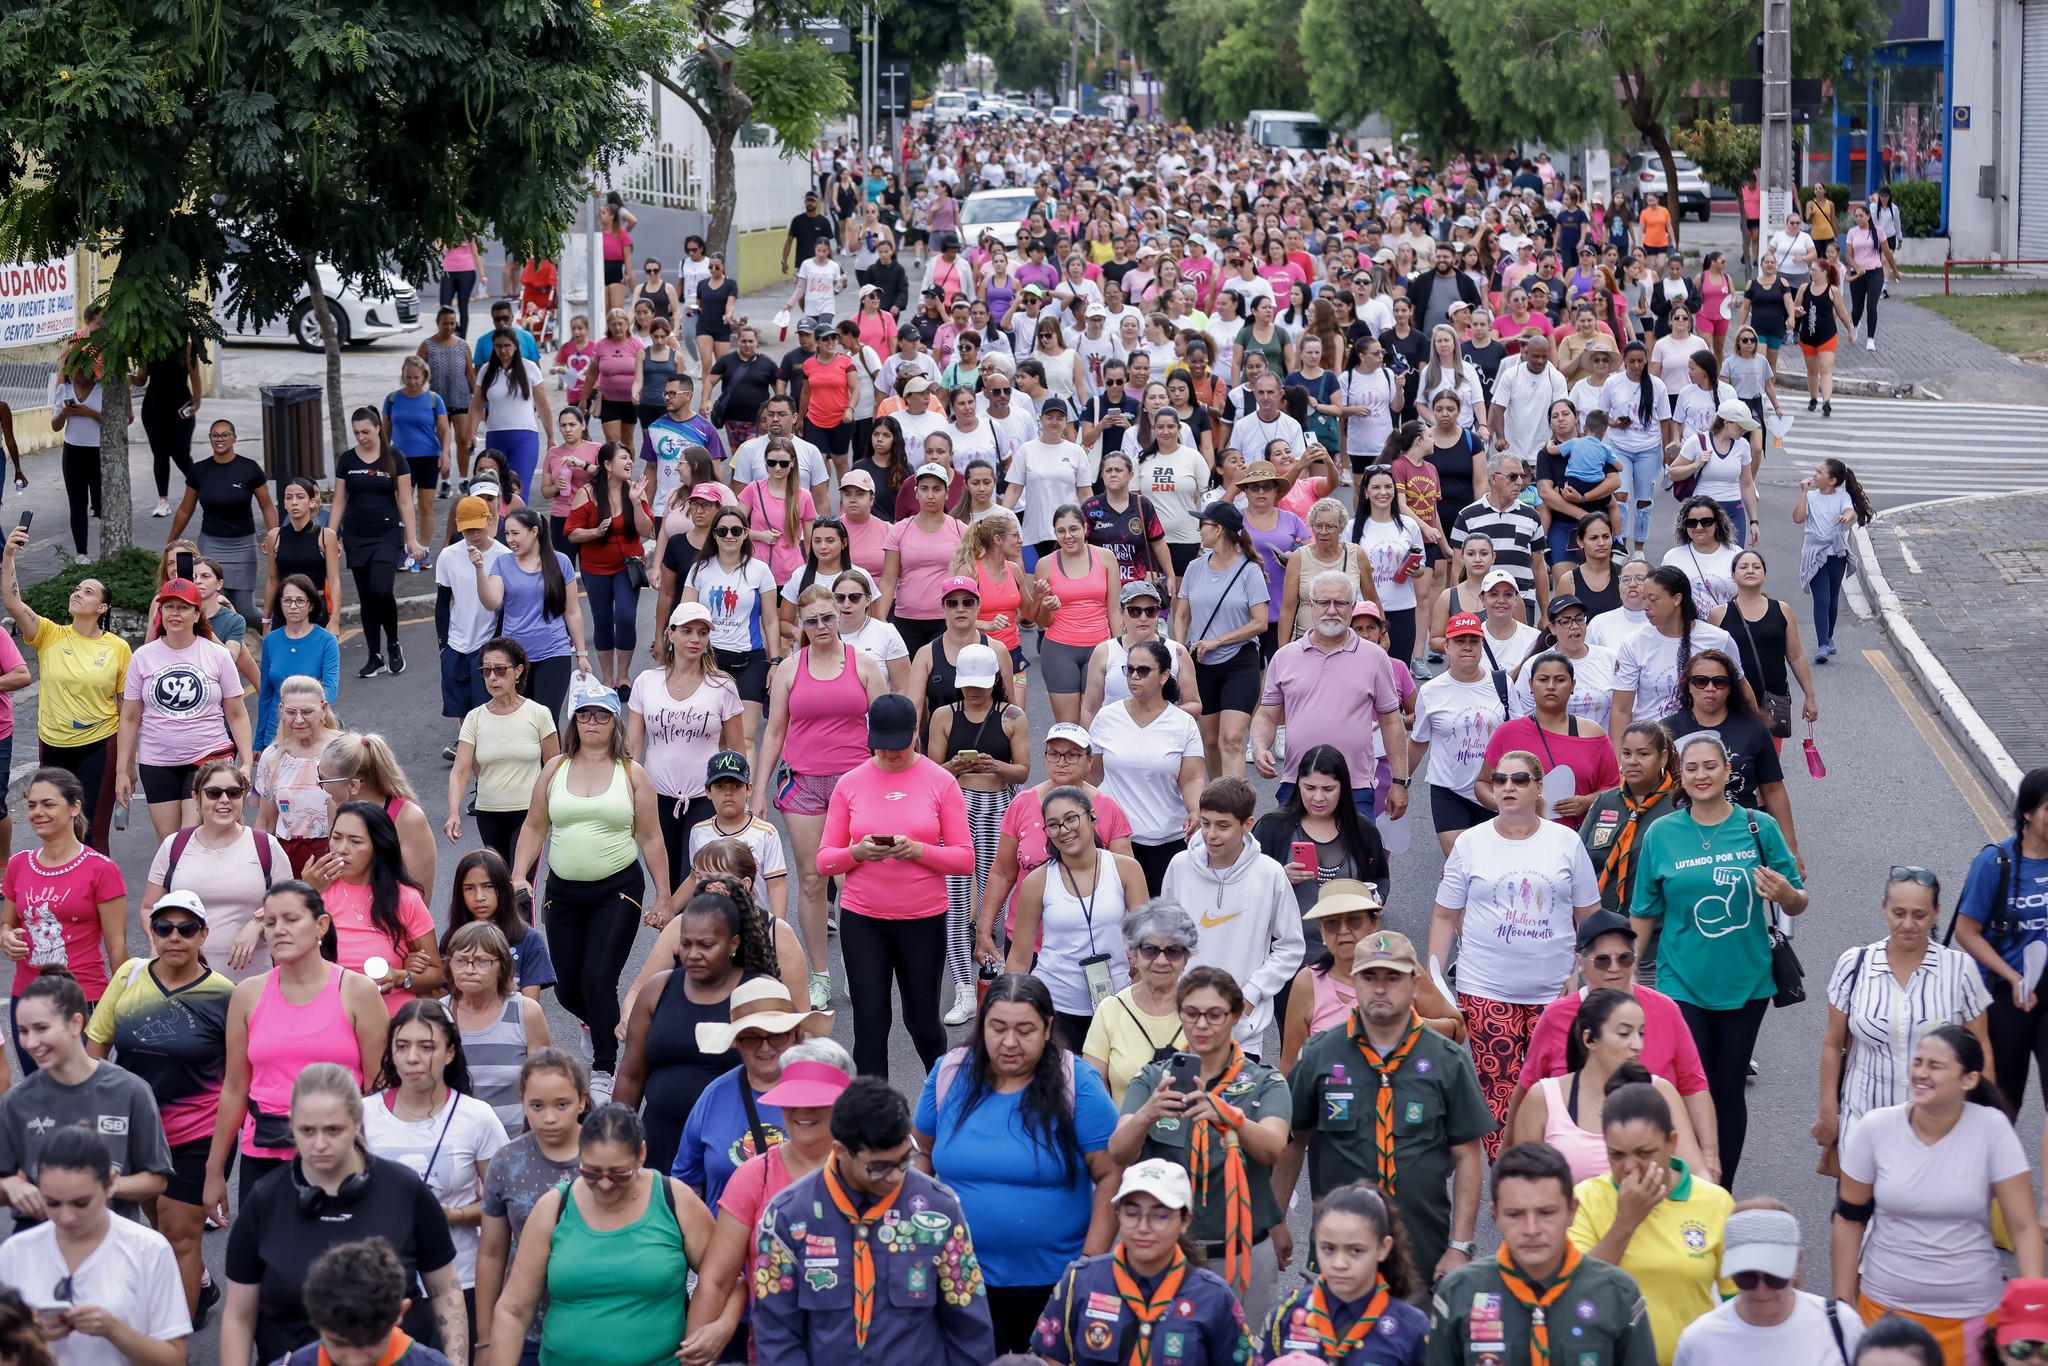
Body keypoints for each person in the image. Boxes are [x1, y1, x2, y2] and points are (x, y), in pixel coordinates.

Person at [1630, 732, 1806, 1187]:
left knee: (1727, 1088)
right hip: (1678, 979)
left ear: (1728, 772)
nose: (1701, 775)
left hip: (1747, 983)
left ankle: (1718, 1189)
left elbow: (1796, 900)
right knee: (1690, 1084)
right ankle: (1684, 1179)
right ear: (1680, 776)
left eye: (1710, 766)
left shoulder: (1757, 827)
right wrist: (1623, 975)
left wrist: (1787, 893)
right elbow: (1643, 912)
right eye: (1692, 768)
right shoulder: (1662, 834)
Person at [913, 975, 1118, 1355]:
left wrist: (1091, 1265)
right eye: (998, 1027)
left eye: (1025, 1030)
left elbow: (1110, 1175)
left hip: (1056, 1284)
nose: (1009, 1042)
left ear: (1048, 1028)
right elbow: (921, 1155)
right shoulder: (948, 1074)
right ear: (982, 1025)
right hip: (958, 1277)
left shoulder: (1078, 1082)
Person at [1279, 930, 1495, 1282]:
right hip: (1338, 1259)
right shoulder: (1319, 1055)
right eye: (1369, 976)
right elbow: (1293, 1142)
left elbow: (1468, 1156)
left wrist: (1459, 1245)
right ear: (1355, 982)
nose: (1380, 987)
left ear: (1414, 984)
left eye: (1392, 977)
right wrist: (1277, 1219)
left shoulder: (1447, 1060)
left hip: (1422, 1255)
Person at [218, 1062, 466, 1365]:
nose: (319, 1144)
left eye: (333, 1130)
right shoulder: (264, 1200)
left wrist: (456, 1362)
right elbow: (239, 1317)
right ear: (291, 1123)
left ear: (358, 1121)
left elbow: (445, 1290)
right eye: (307, 1131)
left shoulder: (405, 1190)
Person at [751, 1075, 997, 1366]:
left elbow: (968, 1324)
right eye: (878, 1167)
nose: (895, 1177)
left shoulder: (939, 1211)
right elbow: (777, 1334)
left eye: (905, 1159)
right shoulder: (788, 1217)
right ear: (841, 1151)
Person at [1832, 1026, 2042, 1361]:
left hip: (1971, 1318)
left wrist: (2034, 1311)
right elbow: (1848, 1219)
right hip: (1886, 1316)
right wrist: (1843, 1306)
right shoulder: (1876, 1128)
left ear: (1969, 1080)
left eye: (1935, 1065)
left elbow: (2024, 1226)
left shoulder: (1992, 1129)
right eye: (1918, 1062)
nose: (1921, 1073)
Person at [1431, 748, 1604, 1150]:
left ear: (1538, 787)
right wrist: (1437, 986)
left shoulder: (1566, 841)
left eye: (1520, 779)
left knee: (1559, 1094)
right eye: (1500, 780)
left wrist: (1582, 976)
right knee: (1498, 1096)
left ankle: (1558, 1184)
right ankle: (1510, 1184)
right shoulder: (1470, 843)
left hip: (1555, 996)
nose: (1508, 786)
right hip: (1486, 993)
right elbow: (1443, 917)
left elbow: (1590, 917)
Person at [509, 684, 671, 1099]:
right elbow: (533, 826)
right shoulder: (556, 768)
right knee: (566, 987)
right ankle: (601, 1024)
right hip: (561, 891)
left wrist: (664, 896)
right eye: (585, 715)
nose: (592, 722)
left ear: (614, 721)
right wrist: (517, 874)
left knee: (598, 980)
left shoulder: (632, 773)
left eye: (601, 715)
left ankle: (604, 1068)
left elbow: (651, 837)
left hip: (617, 888)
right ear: (574, 721)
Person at [1109, 966, 1291, 1322]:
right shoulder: (1152, 1079)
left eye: (1215, 1014)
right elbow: (1119, 1151)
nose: (1202, 1024)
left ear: (1235, 1016)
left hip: (1243, 1254)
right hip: (1167, 1253)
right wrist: (1147, 1114)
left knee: (1244, 1354)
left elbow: (1272, 1147)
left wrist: (1230, 1116)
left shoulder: (1264, 1081)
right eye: (1191, 1013)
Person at [203, 882, 388, 1213]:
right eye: (270, 923)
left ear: (321, 926)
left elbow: (378, 1089)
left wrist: (382, 1165)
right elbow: (234, 1089)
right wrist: (214, 1170)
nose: (279, 931)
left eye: (291, 919)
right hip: (264, 1154)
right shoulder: (247, 994)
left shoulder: (358, 991)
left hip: (340, 1156)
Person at [484, 1104, 713, 1366]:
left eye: (619, 1173)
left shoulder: (676, 1200)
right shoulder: (554, 1207)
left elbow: (725, 1280)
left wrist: (720, 1328)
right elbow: (513, 1310)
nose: (604, 1184)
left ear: (641, 1154)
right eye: (591, 1172)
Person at [818, 694, 974, 1075]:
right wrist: (857, 853)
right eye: (881, 744)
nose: (889, 753)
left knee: (922, 1023)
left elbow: (964, 859)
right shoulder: (850, 783)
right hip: (863, 919)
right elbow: (825, 860)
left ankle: (946, 1106)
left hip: (922, 920)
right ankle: (874, 1127)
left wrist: (919, 850)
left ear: (916, 732)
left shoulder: (941, 782)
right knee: (870, 1025)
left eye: (898, 744)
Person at [1819, 867, 1992, 1175]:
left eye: (1919, 915)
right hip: (1863, 1124)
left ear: (1937, 913)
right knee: (1857, 1218)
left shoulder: (1960, 970)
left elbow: (1982, 1049)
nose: (1908, 925)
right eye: (1898, 913)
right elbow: (1833, 1045)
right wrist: (1829, 1110)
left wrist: (1986, 1117)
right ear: (1883, 907)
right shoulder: (1854, 964)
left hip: (1940, 1130)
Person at [1425, 1141, 1660, 1366]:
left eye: (1546, 1213)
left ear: (1571, 1211)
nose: (1531, 1230)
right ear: (1496, 1215)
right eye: (1515, 1214)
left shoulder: (1617, 1292)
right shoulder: (1459, 1293)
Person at [613, 885, 791, 1180]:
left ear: (733, 943)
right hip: (661, 1142)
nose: (693, 954)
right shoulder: (657, 990)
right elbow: (631, 1076)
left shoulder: (760, 992)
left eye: (706, 945)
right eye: (686, 944)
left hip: (733, 1150)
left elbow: (789, 1071)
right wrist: (617, 1141)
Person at [363, 999, 510, 1323]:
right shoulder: (363, 1116)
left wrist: (454, 1215)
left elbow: (504, 1208)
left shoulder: (477, 1117)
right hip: (379, 1287)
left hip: (463, 1282)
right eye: (402, 1046)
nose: (412, 1057)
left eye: (427, 1046)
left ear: (450, 1052)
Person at [1567, 1080, 1735, 1362]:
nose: (1630, 1166)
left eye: (1644, 1153)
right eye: (1617, 1155)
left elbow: (1738, 1301)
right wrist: (1625, 1223)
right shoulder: (1585, 1199)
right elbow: (1576, 1292)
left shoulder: (1716, 1202)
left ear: (1671, 1143)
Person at [1033, 1158, 1253, 1366]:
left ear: (1185, 1221)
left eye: (1160, 1216)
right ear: (1118, 1214)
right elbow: (1054, 1358)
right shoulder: (1080, 1281)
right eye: (1132, 1213)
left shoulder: (1214, 1296)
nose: (1143, 1227)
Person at [0, 1128, 189, 1366]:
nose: (66, 1217)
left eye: (81, 1203)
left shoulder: (149, 1249)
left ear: (110, 1184)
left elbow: (174, 1359)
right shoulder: (15, 1252)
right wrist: (33, 1334)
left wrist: (114, 1330)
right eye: (52, 1203)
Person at [0, 967, 172, 1225]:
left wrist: (100, 1187)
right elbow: (4, 1180)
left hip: (111, 1242)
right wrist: (10, 1185)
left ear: (76, 1023)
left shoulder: (131, 1090)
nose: (31, 1042)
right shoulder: (17, 1101)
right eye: (23, 1031)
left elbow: (156, 1179)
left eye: (41, 1028)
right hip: (38, 1245)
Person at [2, 529, 128, 850]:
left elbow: (128, 711)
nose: (77, 593)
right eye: (76, 589)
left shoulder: (117, 648)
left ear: (102, 608)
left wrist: (127, 764)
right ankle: (62, 897)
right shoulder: (49, 634)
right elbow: (13, 603)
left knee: (92, 834)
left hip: (99, 745)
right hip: (53, 746)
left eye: (87, 592)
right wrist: (8, 555)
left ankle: (99, 897)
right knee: (57, 831)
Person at [1251, 571, 1409, 822]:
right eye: (1324, 602)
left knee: (1358, 860)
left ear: (1352, 606)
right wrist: (1259, 748)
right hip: (1298, 785)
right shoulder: (1284, 657)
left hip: (1355, 787)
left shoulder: (1375, 657)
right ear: (1310, 605)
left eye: (1341, 603)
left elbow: (1392, 723)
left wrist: (1400, 782)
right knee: (1296, 860)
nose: (1332, 610)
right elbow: (1268, 715)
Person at [1160, 778, 1303, 1050]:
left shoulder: (1270, 874)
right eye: (1205, 823)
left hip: (1243, 1034)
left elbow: (1291, 946)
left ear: (1247, 825)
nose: (1211, 834)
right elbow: (1165, 937)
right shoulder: (1179, 866)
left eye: (1222, 826)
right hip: (1182, 1027)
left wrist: (1250, 995)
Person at [1005, 785, 1149, 1050]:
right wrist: (1004, 1014)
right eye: (1054, 825)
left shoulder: (1126, 869)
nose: (1065, 829)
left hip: (1117, 1003)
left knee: (1115, 1087)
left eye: (1071, 818)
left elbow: (1147, 943)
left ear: (1091, 817)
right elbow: (1019, 957)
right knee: (1062, 1088)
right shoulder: (1038, 881)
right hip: (1055, 1005)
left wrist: (1140, 994)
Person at [931, 643, 1030, 1023]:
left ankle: (991, 975)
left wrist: (997, 766)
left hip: (998, 809)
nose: (974, 691)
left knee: (996, 895)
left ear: (993, 682)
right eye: (968, 684)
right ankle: (963, 988)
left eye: (981, 684)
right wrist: (954, 766)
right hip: (956, 809)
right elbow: (932, 768)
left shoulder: (1013, 715)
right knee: (955, 900)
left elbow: (1022, 770)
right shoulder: (944, 714)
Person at [2, 770, 128, 1070]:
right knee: (38, 1099)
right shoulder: (18, 865)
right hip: (27, 999)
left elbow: (117, 947)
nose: (37, 813)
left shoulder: (101, 870)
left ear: (74, 807)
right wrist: (6, 937)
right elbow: (7, 923)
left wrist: (124, 1007)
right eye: (31, 805)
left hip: (82, 1001)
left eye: (48, 804)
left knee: (81, 1099)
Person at [113, 576, 252, 843]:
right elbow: (130, 718)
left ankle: (200, 885)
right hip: (157, 761)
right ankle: (173, 886)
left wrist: (246, 762)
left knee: (193, 836)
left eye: (183, 607)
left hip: (208, 756)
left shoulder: (217, 655)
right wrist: (123, 770)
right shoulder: (143, 656)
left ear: (197, 613)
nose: (175, 613)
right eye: (169, 606)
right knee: (168, 841)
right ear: (160, 612)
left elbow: (237, 713)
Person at [475, 1049, 587, 1366]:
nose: (549, 1117)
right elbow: (492, 1252)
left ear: (581, 1100)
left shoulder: (604, 1155)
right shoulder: (507, 1161)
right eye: (537, 1106)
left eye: (561, 1105)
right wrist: (485, 1341)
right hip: (525, 1328)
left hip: (593, 1325)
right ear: (523, 1101)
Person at [137, 756, 287, 983]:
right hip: (185, 983)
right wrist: (159, 942)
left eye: (234, 793)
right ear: (196, 798)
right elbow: (149, 908)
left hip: (253, 982)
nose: (224, 800)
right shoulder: (174, 846)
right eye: (214, 793)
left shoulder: (266, 846)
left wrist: (258, 924)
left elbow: (290, 906)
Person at [1950, 768, 2048, 1112]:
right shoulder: (1996, 861)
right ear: (2028, 813)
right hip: (2007, 992)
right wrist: (2014, 977)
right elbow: (1966, 931)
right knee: (2003, 1101)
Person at [1253, 1182, 1430, 1365]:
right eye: (1328, 1248)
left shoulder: (1411, 1329)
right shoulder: (1287, 1314)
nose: (1339, 1263)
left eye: (1355, 1251)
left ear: (1383, 1248)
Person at [1670, 1200, 1865, 1363]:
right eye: (1747, 1277)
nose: (1761, 1290)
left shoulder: (1841, 1325)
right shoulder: (1698, 1340)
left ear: (1798, 1262)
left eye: (1775, 1277)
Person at [329, 409, 428, 679]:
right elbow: (339, 501)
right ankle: (374, 655)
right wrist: (330, 534)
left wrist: (411, 538)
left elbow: (406, 501)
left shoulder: (395, 459)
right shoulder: (347, 460)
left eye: (366, 431)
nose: (361, 437)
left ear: (378, 429)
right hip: (356, 535)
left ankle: (393, 643)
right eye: (356, 432)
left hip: (386, 533)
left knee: (381, 588)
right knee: (366, 598)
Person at [444, 638, 560, 867]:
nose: (492, 677)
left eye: (500, 670)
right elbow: (460, 771)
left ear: (518, 671)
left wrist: (556, 812)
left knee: (519, 885)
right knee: (498, 885)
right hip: (489, 813)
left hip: (530, 813)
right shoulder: (474, 718)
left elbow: (554, 768)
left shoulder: (538, 714)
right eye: (486, 671)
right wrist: (453, 813)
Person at [1174, 502, 1269, 780]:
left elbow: (1260, 622)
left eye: (1202, 524)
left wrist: (1217, 641)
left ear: (1218, 529)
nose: (1198, 529)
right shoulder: (1194, 568)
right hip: (1201, 664)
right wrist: (1181, 651)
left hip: (1240, 662)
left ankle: (1236, 807)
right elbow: (1181, 615)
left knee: (1232, 739)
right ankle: (1220, 800)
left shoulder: (1249, 570)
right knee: (1211, 742)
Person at [1477, 650, 1621, 827]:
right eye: (1543, 679)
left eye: (1560, 680)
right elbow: (1482, 783)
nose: (1551, 686)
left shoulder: (1593, 733)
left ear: (1573, 684)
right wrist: (1504, 802)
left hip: (1578, 839)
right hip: (1519, 837)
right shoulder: (1507, 732)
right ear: (1530, 684)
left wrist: (1587, 802)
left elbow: (1614, 788)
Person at [1407, 613, 1507, 855]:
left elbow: (1518, 735)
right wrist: (1400, 783)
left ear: (1482, 646)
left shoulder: (1501, 683)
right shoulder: (1430, 691)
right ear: (1446, 646)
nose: (1467, 647)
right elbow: (1419, 741)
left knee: (1491, 864)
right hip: (1448, 790)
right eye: (1460, 640)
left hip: (1494, 788)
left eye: (1474, 641)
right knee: (1459, 863)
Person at [476, 508, 589, 724]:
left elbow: (572, 611)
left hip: (553, 653)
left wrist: (582, 654)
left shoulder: (561, 562)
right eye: (507, 534)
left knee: (546, 720)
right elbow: (492, 603)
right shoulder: (502, 563)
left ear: (534, 531)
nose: (510, 540)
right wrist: (480, 570)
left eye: (515, 533)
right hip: (514, 658)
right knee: (519, 721)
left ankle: (551, 760)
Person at [1608, 565, 1745, 734]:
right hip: (1652, 745)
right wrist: (1619, 758)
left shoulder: (1718, 639)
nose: (1646, 606)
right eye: (1644, 599)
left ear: (1676, 599)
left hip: (1706, 744)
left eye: (1653, 599)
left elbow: (1742, 693)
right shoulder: (1634, 643)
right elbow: (1621, 710)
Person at [443, 921, 551, 1134]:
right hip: (456, 1140)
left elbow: (546, 1083)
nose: (469, 969)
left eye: (482, 961)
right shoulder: (438, 1015)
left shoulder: (526, 1012)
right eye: (461, 960)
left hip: (516, 1144)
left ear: (502, 965)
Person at [165, 419, 277, 624]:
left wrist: (275, 535)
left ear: (234, 438)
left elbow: (267, 505)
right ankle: (221, 653)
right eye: (215, 435)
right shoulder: (199, 470)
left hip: (243, 546)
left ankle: (276, 628)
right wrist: (171, 543)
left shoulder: (249, 469)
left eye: (225, 435)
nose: (220, 439)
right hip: (211, 545)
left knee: (246, 611)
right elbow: (185, 509)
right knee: (211, 607)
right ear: (209, 439)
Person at [564, 442, 654, 692]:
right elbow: (571, 533)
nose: (629, 463)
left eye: (630, 458)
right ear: (607, 465)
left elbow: (646, 531)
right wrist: (594, 531)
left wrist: (636, 503)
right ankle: (607, 677)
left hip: (628, 566)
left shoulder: (635, 490)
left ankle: (624, 676)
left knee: (625, 617)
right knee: (602, 620)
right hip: (595, 568)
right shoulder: (588, 492)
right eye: (623, 458)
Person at [1032, 505, 1123, 724]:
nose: (1068, 536)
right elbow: (1041, 621)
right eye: (1061, 531)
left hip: (1098, 648)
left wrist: (1122, 648)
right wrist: (1046, 604)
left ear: (1085, 528)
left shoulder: (1106, 558)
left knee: (1095, 725)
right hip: (1059, 649)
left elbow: (1114, 609)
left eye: (1074, 529)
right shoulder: (1045, 564)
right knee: (1068, 728)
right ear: (1055, 534)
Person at [440, 848, 554, 1000]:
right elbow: (445, 999)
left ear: (505, 888)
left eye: (488, 886)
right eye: (469, 888)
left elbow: (529, 1007)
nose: (479, 897)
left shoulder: (529, 939)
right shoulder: (451, 939)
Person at [1794, 457, 1873, 662]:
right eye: (1816, 470)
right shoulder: (1811, 497)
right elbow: (1798, 517)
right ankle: (1822, 645)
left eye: (1819, 472)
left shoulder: (1842, 497)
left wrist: (1847, 516)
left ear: (1832, 480)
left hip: (1836, 552)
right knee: (1822, 599)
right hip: (1815, 552)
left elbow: (1850, 510)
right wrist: (1803, 493)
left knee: (1832, 598)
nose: (1815, 474)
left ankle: (1829, 637)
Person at [253, 576, 337, 749]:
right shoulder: (271, 640)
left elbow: (330, 690)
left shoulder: (326, 641)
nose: (293, 606)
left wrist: (307, 717)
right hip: (275, 732)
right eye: (287, 600)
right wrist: (259, 741)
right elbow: (266, 695)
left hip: (310, 729)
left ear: (311, 605)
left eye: (300, 601)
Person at [50, 359, 103, 557]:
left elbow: (114, 422)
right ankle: (82, 553)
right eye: (72, 371)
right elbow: (55, 425)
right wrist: (65, 412)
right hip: (73, 451)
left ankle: (109, 549)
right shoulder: (64, 389)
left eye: (80, 371)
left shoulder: (101, 389)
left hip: (97, 451)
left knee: (100, 504)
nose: (76, 376)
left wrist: (89, 413)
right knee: (77, 502)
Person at [1794, 257, 1854, 417]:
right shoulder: (1804, 288)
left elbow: (1842, 312)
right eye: (1811, 269)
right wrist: (1796, 312)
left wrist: (1850, 330)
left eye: (1814, 270)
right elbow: (1794, 308)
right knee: (1812, 370)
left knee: (1825, 369)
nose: (1811, 272)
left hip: (1827, 335)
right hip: (1808, 335)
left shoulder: (1832, 290)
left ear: (1824, 272)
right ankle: (1813, 398)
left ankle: (1826, 402)